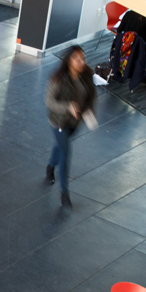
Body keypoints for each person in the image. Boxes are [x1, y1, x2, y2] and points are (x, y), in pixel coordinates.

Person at [45, 46, 96, 208]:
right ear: (69, 61)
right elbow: (49, 102)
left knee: (60, 146)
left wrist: (88, 112)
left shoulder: (87, 76)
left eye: (82, 58)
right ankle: (64, 193)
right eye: (77, 58)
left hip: (75, 123)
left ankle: (50, 166)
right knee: (66, 153)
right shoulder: (59, 78)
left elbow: (91, 96)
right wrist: (68, 107)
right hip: (59, 122)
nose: (81, 62)